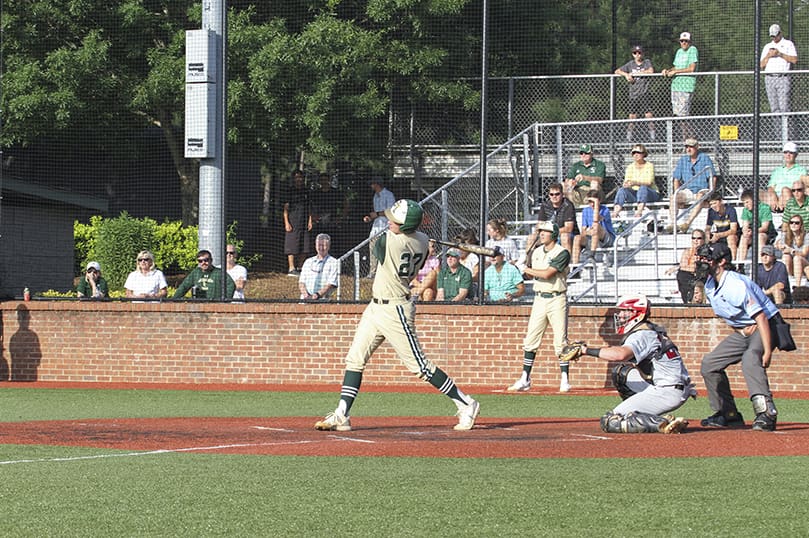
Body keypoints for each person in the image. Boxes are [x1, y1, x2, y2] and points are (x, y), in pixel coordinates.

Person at [314, 199, 480, 432]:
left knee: (419, 366)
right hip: (375, 308)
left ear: (406, 225)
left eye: (395, 220)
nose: (390, 221)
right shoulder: (422, 241)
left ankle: (466, 403)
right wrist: (414, 231)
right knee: (355, 358)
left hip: (396, 310)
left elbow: (379, 247)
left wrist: (395, 225)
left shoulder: (389, 242)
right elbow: (415, 236)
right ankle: (342, 413)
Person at [695, 242, 780, 431]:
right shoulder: (710, 284)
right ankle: (727, 414)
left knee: (751, 359)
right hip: (744, 329)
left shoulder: (734, 284)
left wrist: (767, 352)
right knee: (709, 363)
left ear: (722, 261)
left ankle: (766, 412)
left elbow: (761, 317)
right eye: (700, 258)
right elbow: (728, 313)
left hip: (766, 325)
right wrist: (740, 330)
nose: (702, 262)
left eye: (707, 259)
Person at [581, 294, 694, 434]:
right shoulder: (650, 328)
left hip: (667, 391)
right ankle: (641, 414)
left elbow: (620, 355)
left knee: (610, 421)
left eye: (625, 311)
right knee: (621, 373)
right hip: (669, 385)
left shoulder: (643, 334)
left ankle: (663, 423)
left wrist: (585, 351)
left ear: (637, 314)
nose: (620, 315)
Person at [507, 221, 573, 393]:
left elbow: (547, 273)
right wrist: (519, 267)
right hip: (539, 298)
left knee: (560, 341)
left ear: (554, 235)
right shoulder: (536, 252)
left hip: (556, 298)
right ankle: (525, 378)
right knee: (531, 339)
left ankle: (565, 378)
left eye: (545, 231)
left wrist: (526, 269)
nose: (541, 234)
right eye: (541, 231)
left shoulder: (562, 252)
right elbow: (532, 275)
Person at [667, 138, 716, 233]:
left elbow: (712, 176)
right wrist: (678, 192)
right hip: (688, 191)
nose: (688, 149)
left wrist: (711, 191)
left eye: (691, 147)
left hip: (702, 189)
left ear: (697, 147)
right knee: (673, 197)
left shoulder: (704, 158)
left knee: (700, 196)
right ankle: (673, 224)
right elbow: (676, 178)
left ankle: (687, 223)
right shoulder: (683, 160)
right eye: (686, 147)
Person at [615, 45, 655, 142]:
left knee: (648, 116)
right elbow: (617, 71)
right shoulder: (630, 64)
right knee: (632, 117)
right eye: (635, 53)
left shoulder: (646, 62)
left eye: (639, 52)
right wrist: (626, 75)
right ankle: (628, 138)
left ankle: (653, 137)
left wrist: (638, 74)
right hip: (633, 95)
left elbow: (651, 71)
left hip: (644, 94)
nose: (637, 55)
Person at [662, 32, 698, 139]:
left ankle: (690, 140)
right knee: (678, 115)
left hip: (686, 86)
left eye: (686, 41)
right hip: (676, 86)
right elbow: (675, 67)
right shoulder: (678, 52)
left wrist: (676, 72)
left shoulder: (692, 50)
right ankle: (686, 140)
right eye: (682, 41)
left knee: (684, 115)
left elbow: (691, 69)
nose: (684, 43)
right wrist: (668, 70)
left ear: (689, 42)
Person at [612, 144, 659, 218]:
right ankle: (615, 212)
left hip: (650, 193)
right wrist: (627, 184)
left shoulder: (649, 166)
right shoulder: (630, 167)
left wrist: (634, 182)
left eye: (638, 152)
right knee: (622, 190)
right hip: (635, 194)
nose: (635, 155)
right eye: (634, 153)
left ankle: (639, 211)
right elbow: (626, 181)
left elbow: (649, 182)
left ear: (643, 154)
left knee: (643, 188)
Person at [760, 23, 798, 114]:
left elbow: (794, 60)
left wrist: (779, 54)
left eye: (775, 36)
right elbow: (761, 65)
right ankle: (777, 128)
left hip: (782, 77)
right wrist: (768, 56)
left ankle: (786, 127)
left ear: (780, 33)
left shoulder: (788, 44)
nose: (774, 38)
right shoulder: (767, 46)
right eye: (772, 36)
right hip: (769, 78)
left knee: (784, 106)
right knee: (774, 108)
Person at [363, 178, 395, 279]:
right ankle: (373, 272)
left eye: (372, 184)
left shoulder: (388, 195)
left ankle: (386, 273)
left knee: (385, 250)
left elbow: (391, 211)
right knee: (372, 248)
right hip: (376, 227)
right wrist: (370, 217)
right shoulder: (375, 197)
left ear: (377, 184)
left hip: (386, 227)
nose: (371, 186)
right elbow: (376, 214)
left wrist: (376, 214)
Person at [573, 189, 616, 265]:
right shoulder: (585, 211)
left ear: (599, 201)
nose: (592, 204)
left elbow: (596, 219)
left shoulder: (605, 209)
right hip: (592, 237)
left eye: (594, 202)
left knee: (596, 226)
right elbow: (583, 231)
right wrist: (589, 232)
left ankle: (591, 255)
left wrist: (596, 204)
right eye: (590, 202)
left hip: (606, 239)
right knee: (577, 238)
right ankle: (575, 267)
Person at [282, 169, 313, 276]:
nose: (299, 179)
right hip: (293, 221)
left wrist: (310, 220)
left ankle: (300, 267)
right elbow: (285, 208)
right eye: (296, 177)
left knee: (305, 245)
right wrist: (287, 222)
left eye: (300, 177)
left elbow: (309, 207)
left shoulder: (307, 191)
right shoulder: (289, 191)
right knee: (291, 244)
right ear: (293, 179)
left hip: (304, 222)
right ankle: (291, 268)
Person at [534, 182, 579, 253]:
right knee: (531, 237)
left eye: (557, 194)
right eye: (551, 194)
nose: (554, 196)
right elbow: (540, 224)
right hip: (549, 233)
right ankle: (527, 262)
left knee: (565, 237)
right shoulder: (545, 205)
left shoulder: (568, 205)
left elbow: (568, 228)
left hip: (568, 235)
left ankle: (566, 263)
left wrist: (552, 232)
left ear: (562, 195)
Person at [664, 228, 706, 303]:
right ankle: (687, 301)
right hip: (687, 276)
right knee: (681, 275)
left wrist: (688, 266)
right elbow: (683, 266)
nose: (696, 240)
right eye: (693, 238)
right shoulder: (687, 251)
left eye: (699, 238)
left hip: (700, 276)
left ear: (703, 240)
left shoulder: (706, 252)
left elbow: (696, 267)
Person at [765, 142, 806, 211]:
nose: (788, 155)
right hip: (775, 198)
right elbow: (771, 187)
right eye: (786, 152)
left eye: (791, 152)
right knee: (758, 193)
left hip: (790, 197)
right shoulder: (777, 170)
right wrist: (774, 197)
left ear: (796, 155)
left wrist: (782, 196)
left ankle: (785, 211)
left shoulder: (801, 170)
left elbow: (801, 188)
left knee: (785, 190)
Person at [738, 189, 776, 261]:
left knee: (760, 236)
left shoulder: (764, 208)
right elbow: (745, 225)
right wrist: (746, 232)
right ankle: (740, 264)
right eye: (744, 203)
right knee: (744, 237)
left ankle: (759, 263)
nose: (745, 205)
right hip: (752, 232)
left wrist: (753, 231)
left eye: (747, 202)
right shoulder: (745, 210)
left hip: (767, 233)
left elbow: (765, 228)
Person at [298, 233, 339, 300]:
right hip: (305, 300)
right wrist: (306, 295)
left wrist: (318, 295)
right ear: (315, 245)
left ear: (329, 246)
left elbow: (331, 283)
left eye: (324, 245)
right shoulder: (308, 261)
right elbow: (301, 282)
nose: (321, 248)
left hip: (323, 300)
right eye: (319, 245)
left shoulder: (334, 262)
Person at [775, 213, 809, 286]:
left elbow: (804, 253)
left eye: (796, 223)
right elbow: (778, 244)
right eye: (791, 222)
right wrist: (779, 245)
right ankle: (787, 283)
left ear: (801, 225)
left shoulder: (806, 235)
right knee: (785, 256)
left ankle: (798, 285)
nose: (793, 224)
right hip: (791, 266)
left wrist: (791, 251)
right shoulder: (786, 235)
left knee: (797, 258)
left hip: (804, 265)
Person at [705, 191, 739, 261]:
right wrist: (707, 235)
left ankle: (733, 263)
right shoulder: (711, 212)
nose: (713, 206)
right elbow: (707, 228)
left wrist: (719, 235)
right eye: (711, 204)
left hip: (732, 235)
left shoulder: (731, 210)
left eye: (715, 203)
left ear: (721, 201)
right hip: (719, 236)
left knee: (731, 238)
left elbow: (733, 230)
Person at [455, 228, 480, 298]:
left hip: (471, 284)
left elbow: (476, 276)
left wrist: (465, 280)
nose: (460, 251)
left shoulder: (473, 257)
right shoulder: (455, 256)